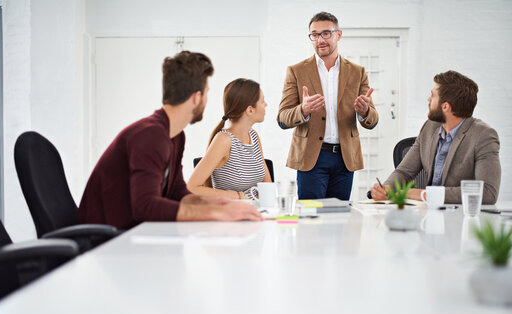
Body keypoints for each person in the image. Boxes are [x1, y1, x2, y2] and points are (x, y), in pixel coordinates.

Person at [78, 51, 263, 229]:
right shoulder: (150, 135)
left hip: (132, 234)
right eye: (206, 92)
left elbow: (177, 193)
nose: (206, 99)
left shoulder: (175, 135)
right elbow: (145, 206)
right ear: (196, 97)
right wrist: (215, 214)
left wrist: (216, 205)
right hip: (103, 241)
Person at [277, 11, 379, 200]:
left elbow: (372, 120)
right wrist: (303, 110)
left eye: (326, 33)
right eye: (314, 35)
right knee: (311, 219)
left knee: (339, 218)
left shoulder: (357, 72)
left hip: (345, 158)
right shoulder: (297, 71)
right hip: (311, 157)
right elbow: (282, 118)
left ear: (338, 35)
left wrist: (365, 112)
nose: (320, 40)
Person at [371, 70, 501, 204]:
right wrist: (386, 188)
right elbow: (404, 172)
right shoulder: (429, 127)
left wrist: (425, 194)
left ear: (445, 106)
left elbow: (488, 193)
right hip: (424, 214)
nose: (428, 99)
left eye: (432, 96)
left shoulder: (483, 136)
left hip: (458, 218)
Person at [187, 78, 272, 199]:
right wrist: (237, 196)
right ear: (250, 110)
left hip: (255, 212)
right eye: (262, 101)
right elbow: (191, 188)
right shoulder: (224, 140)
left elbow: (267, 184)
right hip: (229, 212)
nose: (266, 105)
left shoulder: (253, 136)